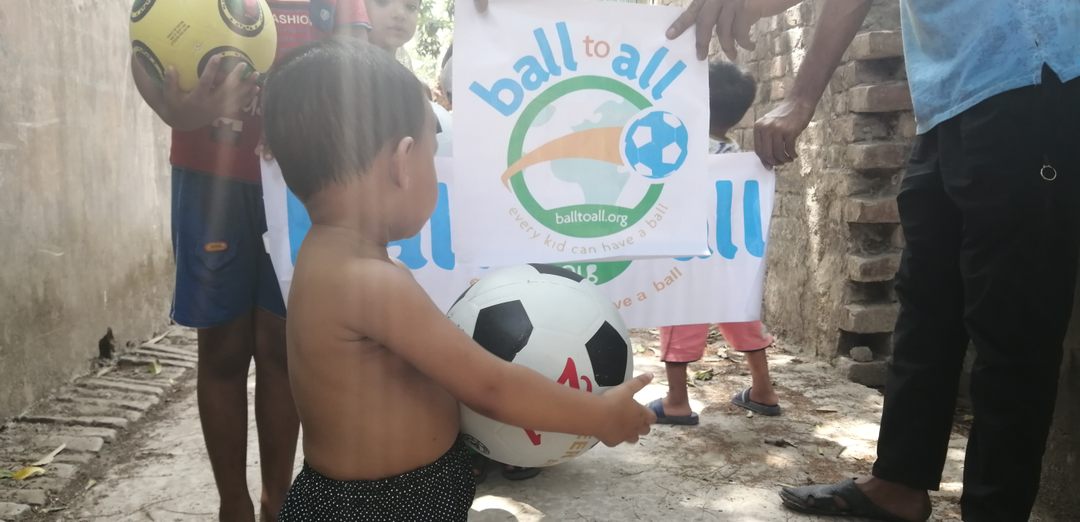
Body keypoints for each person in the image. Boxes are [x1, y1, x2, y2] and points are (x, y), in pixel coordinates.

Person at [669, 1, 1080, 520]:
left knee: (1014, 328)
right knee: (925, 308)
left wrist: (800, 95)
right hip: (948, 103)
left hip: (1029, 78)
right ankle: (899, 482)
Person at [261, 37, 656, 521]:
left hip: (381, 499)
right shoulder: (369, 282)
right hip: (383, 508)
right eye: (432, 156)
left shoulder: (327, 260)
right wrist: (600, 415)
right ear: (402, 162)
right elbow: (492, 387)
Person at [130, 2, 370, 520]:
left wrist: (308, 120)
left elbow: (358, 66)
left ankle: (276, 503)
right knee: (222, 349)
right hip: (209, 180)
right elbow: (146, 51)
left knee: (283, 349)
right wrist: (176, 108)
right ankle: (233, 505)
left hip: (296, 183)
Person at [647, 60, 781, 426]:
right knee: (743, 317)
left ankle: (677, 401)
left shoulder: (681, 150)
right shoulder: (740, 157)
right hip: (732, 258)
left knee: (679, 318)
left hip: (689, 258)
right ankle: (763, 390)